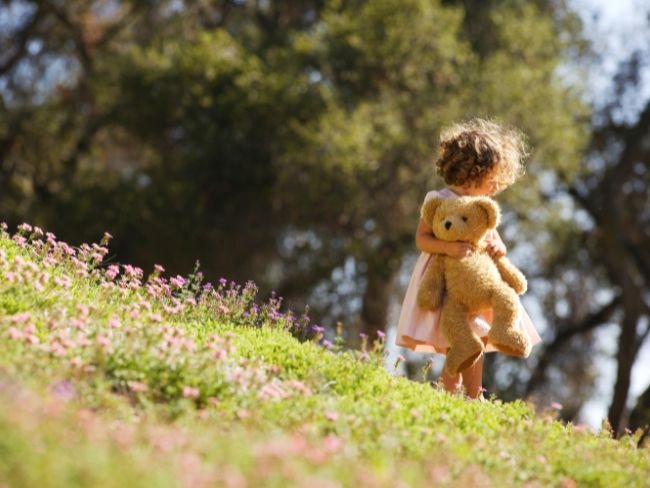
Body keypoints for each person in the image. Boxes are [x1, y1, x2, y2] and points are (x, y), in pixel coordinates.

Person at [395, 117, 541, 399]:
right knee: (458, 335)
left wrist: (499, 251)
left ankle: (473, 394)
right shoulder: (438, 199)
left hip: (480, 280)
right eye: (492, 179)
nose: (496, 187)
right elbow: (422, 239)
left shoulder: (482, 208)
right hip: (446, 281)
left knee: (480, 336)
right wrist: (448, 248)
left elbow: (493, 241)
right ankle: (453, 392)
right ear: (474, 172)